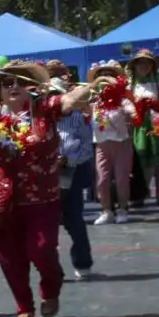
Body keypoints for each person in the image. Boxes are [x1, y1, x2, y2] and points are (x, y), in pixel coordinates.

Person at [0, 60, 92, 317]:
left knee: (42, 250)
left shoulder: (44, 108)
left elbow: (73, 99)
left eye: (21, 81)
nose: (14, 86)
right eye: (7, 82)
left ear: (31, 86)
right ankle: (24, 307)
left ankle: (51, 286)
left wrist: (86, 88)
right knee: (10, 258)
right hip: (3, 199)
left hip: (42, 199)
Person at [52, 75, 95, 279]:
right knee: (46, 224)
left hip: (70, 174)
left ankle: (83, 262)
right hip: (43, 177)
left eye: (57, 95)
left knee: (74, 221)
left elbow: (87, 148)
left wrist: (68, 160)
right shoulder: (40, 118)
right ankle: (51, 269)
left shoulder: (78, 118)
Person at [87, 61, 136, 224]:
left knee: (122, 179)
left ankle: (122, 209)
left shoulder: (122, 99)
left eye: (108, 74)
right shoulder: (94, 102)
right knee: (102, 180)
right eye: (101, 75)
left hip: (122, 144)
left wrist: (132, 113)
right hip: (102, 145)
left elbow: (133, 111)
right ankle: (106, 210)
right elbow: (79, 108)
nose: (105, 78)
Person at [127, 49, 159, 207]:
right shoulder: (129, 84)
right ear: (134, 65)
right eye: (140, 62)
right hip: (137, 126)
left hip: (157, 124)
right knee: (139, 161)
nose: (144, 65)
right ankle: (140, 193)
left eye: (148, 62)